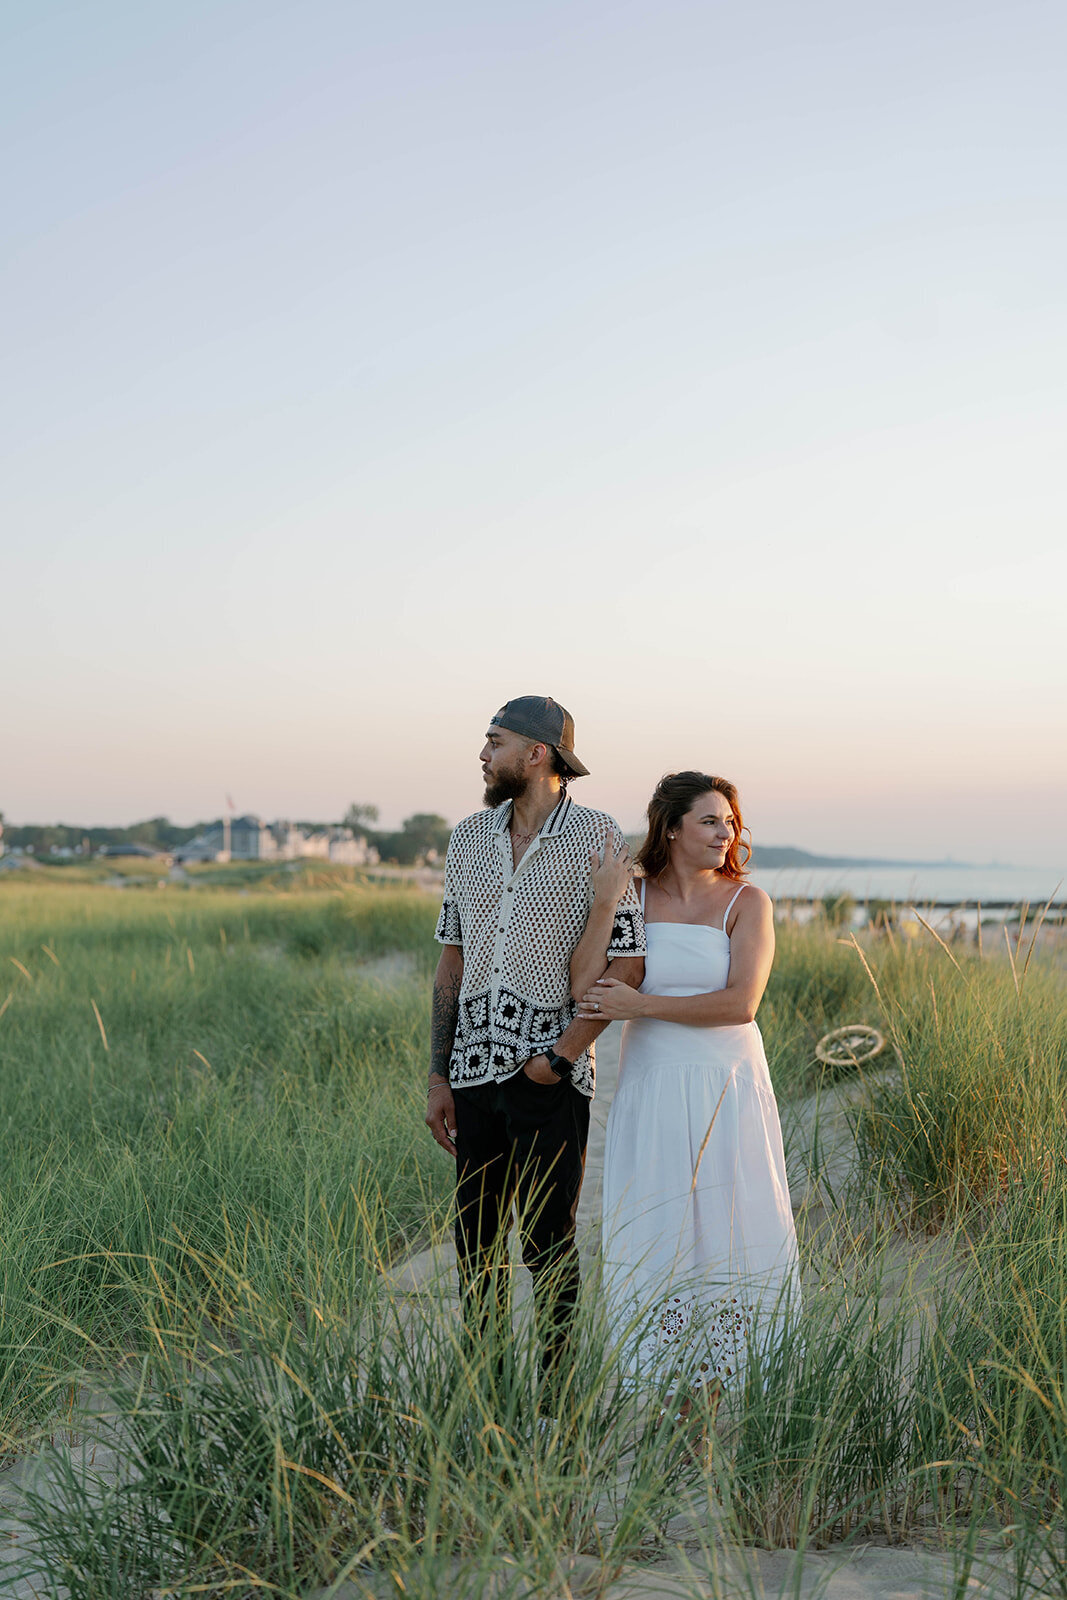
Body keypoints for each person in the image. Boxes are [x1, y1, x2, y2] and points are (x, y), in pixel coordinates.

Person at [426, 696, 645, 1404]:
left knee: (549, 1245)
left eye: (494, 741)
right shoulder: (465, 839)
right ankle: (487, 1398)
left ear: (537, 753)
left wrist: (557, 1058)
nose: (482, 755)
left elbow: (627, 964)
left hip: (548, 1078)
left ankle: (557, 1401)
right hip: (470, 1075)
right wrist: (438, 1074)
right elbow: (451, 962)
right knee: (476, 1247)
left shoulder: (598, 836)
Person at [574, 770, 799, 1408]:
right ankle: (672, 1390)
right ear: (670, 827)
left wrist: (641, 1006)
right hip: (653, 1085)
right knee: (660, 1225)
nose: (725, 833)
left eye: (730, 821)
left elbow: (741, 1004)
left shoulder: (747, 902)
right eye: (708, 820)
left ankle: (724, 1389)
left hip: (725, 1082)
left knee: (729, 1225)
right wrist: (603, 902)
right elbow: (585, 983)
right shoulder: (635, 897)